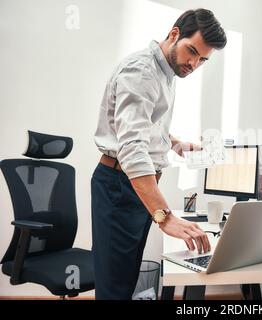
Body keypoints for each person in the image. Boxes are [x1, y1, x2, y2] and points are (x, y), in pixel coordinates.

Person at [91, 8, 227, 300]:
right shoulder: (142, 71)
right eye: (192, 52)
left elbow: (145, 129)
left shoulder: (166, 71)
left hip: (132, 185)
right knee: (115, 288)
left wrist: (177, 144)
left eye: (202, 59)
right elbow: (131, 147)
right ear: (174, 33)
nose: (194, 63)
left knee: (125, 279)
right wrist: (165, 217)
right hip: (120, 186)